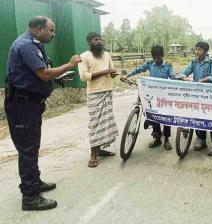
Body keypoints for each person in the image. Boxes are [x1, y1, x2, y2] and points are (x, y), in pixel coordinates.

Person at [4, 16, 81, 210]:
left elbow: (38, 74)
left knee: (32, 146)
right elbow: (44, 73)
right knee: (28, 150)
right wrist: (69, 65)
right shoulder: (26, 45)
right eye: (51, 30)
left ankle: (34, 182)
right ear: (39, 29)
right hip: (22, 106)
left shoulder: (34, 43)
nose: (53, 34)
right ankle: (30, 197)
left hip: (30, 104)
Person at [121, 45, 176, 150]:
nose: (156, 59)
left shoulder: (168, 65)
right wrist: (127, 75)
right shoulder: (150, 64)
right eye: (154, 57)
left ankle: (167, 139)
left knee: (166, 116)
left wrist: (178, 80)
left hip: (164, 95)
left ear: (162, 56)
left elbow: (173, 76)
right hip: (152, 93)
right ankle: (157, 138)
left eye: (159, 57)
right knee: (153, 115)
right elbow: (138, 69)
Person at [78, 32, 119, 168]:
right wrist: (104, 71)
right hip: (94, 94)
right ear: (89, 42)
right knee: (95, 125)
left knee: (105, 124)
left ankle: (100, 150)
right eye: (96, 39)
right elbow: (84, 77)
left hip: (107, 91)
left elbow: (111, 72)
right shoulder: (84, 56)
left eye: (101, 39)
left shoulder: (106, 55)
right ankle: (93, 154)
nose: (99, 41)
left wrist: (112, 73)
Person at [178, 41, 212, 153]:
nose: (197, 51)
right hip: (196, 93)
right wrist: (181, 76)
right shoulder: (194, 61)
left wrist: (202, 80)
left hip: (209, 94)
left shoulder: (211, 61)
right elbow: (185, 71)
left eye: (199, 49)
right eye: (196, 49)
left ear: (205, 51)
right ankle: (201, 139)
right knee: (197, 116)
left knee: (211, 118)